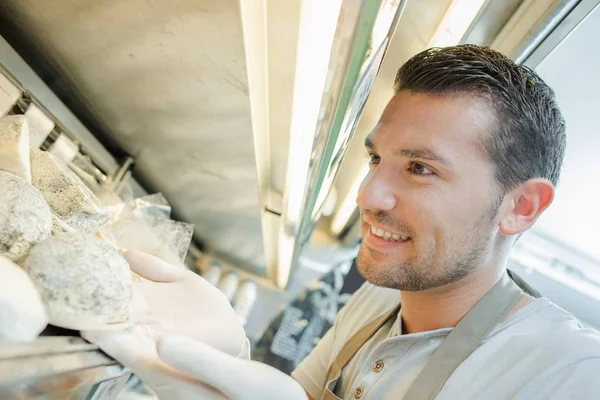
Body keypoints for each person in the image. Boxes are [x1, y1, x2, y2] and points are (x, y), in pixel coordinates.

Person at [84, 45, 600, 399]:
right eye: (376, 160)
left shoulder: (569, 373)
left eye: (420, 169)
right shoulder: (377, 297)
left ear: (521, 207)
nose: (370, 195)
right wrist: (230, 355)